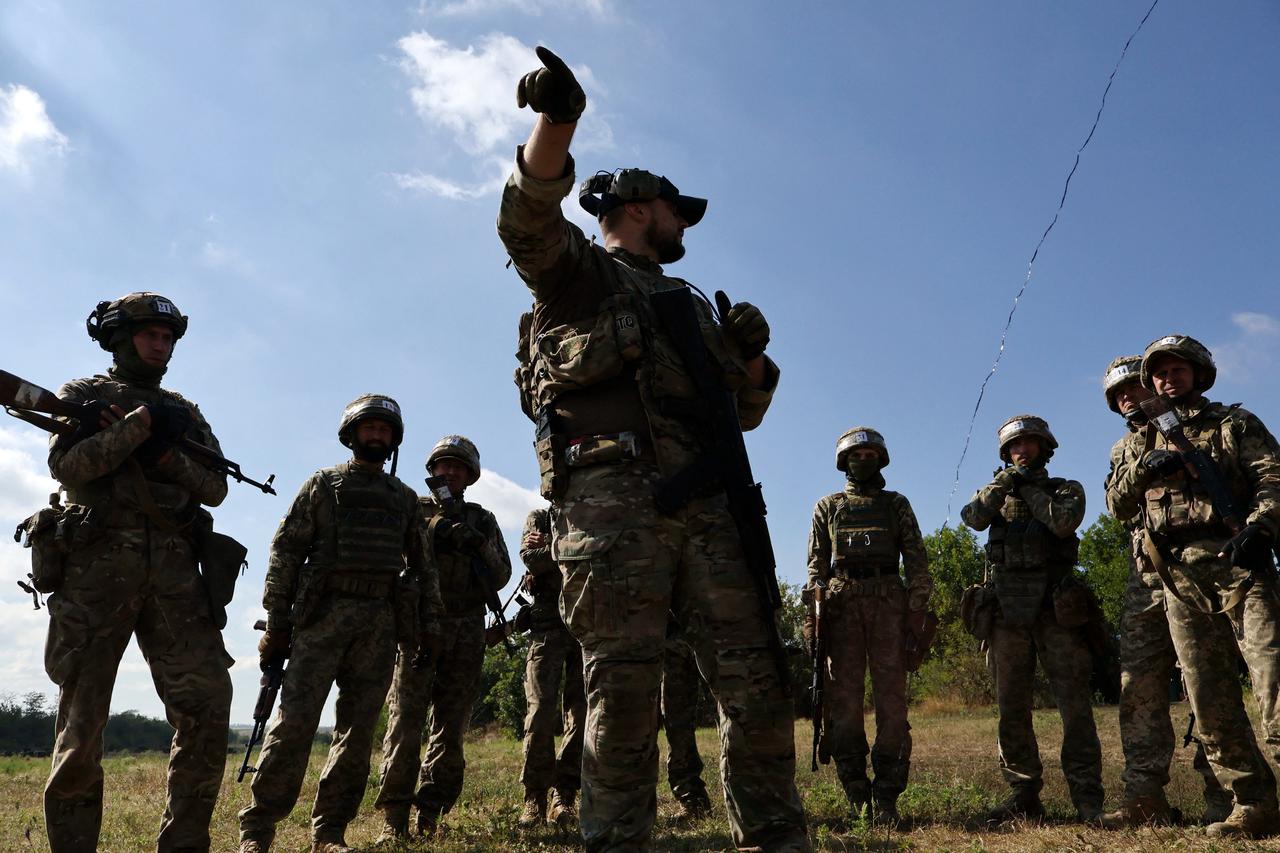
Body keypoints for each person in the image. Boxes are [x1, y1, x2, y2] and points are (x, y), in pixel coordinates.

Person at [498, 45, 808, 853]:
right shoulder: (580, 276)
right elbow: (527, 221)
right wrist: (557, 121)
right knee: (624, 693)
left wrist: (750, 360)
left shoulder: (690, 303)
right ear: (639, 207)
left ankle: (775, 835)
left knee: (757, 680)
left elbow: (745, 415)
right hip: (613, 509)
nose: (684, 225)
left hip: (711, 507)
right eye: (676, 211)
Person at [42, 293, 234, 853]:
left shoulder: (186, 411)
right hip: (96, 571)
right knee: (82, 724)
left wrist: (167, 454)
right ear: (121, 339)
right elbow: (67, 465)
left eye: (168, 337)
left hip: (176, 575)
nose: (161, 345)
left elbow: (216, 488)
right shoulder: (85, 395)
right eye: (151, 334)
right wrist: (139, 427)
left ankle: (184, 844)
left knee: (206, 705)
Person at [238, 395, 442, 853]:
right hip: (321, 619)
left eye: (384, 430)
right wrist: (278, 622)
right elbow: (286, 552)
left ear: (394, 440)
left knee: (358, 733)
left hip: (379, 624)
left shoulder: (404, 499)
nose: (377, 435)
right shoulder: (322, 485)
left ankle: (330, 831)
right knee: (293, 726)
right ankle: (257, 830)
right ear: (351, 435)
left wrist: (429, 626)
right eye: (369, 428)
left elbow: (423, 567)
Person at [1106, 334, 1280, 838]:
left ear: (1199, 373)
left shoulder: (1234, 423)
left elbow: (1271, 477)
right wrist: (1143, 469)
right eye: (1160, 372)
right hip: (1177, 577)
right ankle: (1252, 802)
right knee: (1208, 697)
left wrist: (1261, 527)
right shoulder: (1137, 443)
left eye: (1178, 370)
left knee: (1273, 681)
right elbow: (1117, 506)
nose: (1168, 379)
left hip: (1239, 565)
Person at [1098, 355, 1230, 828]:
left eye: (1133, 388)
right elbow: (1116, 505)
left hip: (1198, 567)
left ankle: (1225, 795)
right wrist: (1142, 467)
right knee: (1138, 686)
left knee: (1205, 682)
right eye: (1118, 395)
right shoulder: (1123, 448)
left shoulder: (1194, 427)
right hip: (1146, 578)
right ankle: (1143, 797)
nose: (1127, 398)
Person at [961, 414, 1103, 824]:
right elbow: (972, 518)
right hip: (1007, 613)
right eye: (1014, 446)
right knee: (1012, 706)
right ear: (1006, 453)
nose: (1021, 451)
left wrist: (1028, 489)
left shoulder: (1065, 489)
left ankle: (1087, 798)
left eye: (1028, 443)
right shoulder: (995, 492)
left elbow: (1062, 523)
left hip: (1056, 611)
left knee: (1074, 706)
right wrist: (1003, 486)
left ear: (1044, 447)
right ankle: (1023, 794)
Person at [376, 435, 512, 838]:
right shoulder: (412, 509)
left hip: (466, 627)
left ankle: (430, 812)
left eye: (458, 467)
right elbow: (391, 555)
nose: (450, 472)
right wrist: (437, 529)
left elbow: (501, 575)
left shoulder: (482, 519)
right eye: (444, 465)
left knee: (450, 727)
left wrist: (477, 543)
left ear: (470, 476)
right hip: (418, 626)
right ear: (432, 470)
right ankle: (394, 818)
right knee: (405, 723)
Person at [805, 427, 931, 825]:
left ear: (881, 459)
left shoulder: (896, 504)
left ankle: (887, 797)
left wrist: (916, 611)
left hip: (888, 605)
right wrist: (814, 615)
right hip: (842, 607)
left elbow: (917, 561)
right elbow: (815, 567)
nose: (863, 460)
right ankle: (857, 796)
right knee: (843, 705)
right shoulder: (828, 506)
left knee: (892, 705)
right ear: (844, 461)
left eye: (870, 454)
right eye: (856, 455)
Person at [517, 506, 587, 830]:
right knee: (540, 712)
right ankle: (534, 797)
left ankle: (565, 795)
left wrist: (551, 545)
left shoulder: (586, 513)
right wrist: (573, 545)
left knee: (581, 713)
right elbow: (531, 558)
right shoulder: (539, 518)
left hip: (584, 625)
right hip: (546, 629)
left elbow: (597, 553)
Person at [660, 628, 713, 823]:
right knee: (675, 722)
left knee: (734, 713)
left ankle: (748, 798)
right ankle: (693, 801)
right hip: (672, 638)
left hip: (716, 629)